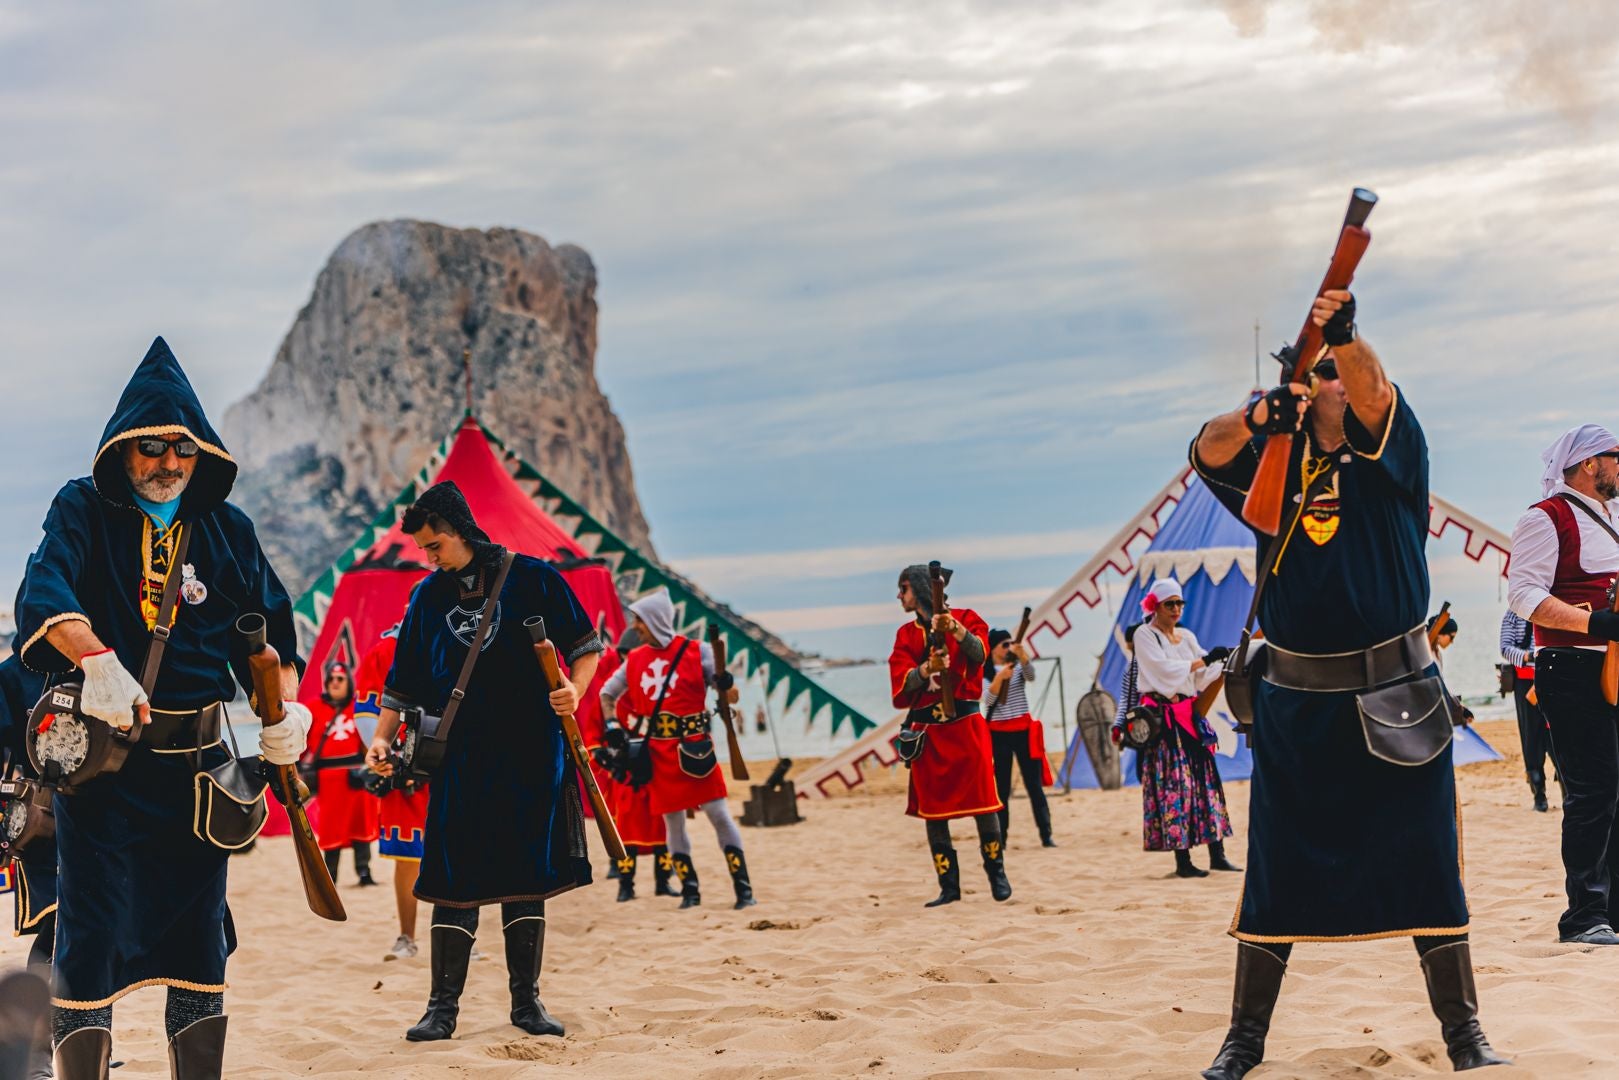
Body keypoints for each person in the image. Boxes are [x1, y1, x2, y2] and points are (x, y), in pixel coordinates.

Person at [1189, 292, 1506, 1076]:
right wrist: (1258, 416)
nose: (1326, 383)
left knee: (1427, 861)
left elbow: (1375, 391)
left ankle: (1464, 1037)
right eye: (1315, 373)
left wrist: (1343, 337)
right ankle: (1243, 1041)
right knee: (1275, 872)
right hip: (1295, 706)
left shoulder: (1393, 450)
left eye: (1329, 373)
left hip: (1397, 696)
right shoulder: (1271, 462)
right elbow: (1203, 450)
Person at [15, 337, 311, 1077]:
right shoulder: (82, 508)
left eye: (182, 447)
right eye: (150, 446)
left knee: (198, 943)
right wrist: (97, 659)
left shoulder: (228, 529)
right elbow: (44, 591)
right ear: (122, 448)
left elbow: (271, 636)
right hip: (104, 774)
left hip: (197, 777)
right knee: (88, 942)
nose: (167, 462)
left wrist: (285, 716)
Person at [365, 481, 602, 1042]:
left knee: (525, 877)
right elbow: (401, 683)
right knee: (452, 876)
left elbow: (586, 647)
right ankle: (441, 1009)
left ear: (461, 531)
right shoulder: (428, 596)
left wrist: (575, 690)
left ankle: (527, 1004)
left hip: (530, 752)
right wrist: (380, 739)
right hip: (459, 757)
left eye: (434, 545)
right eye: (423, 549)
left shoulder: (536, 578)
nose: (429, 557)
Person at [1507, 423, 1619, 946]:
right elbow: (1524, 596)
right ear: (1590, 463)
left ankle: (1612, 910)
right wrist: (1596, 623)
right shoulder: (1545, 517)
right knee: (1593, 790)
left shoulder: (1613, 516)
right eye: (1617, 456)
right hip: (1570, 667)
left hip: (1614, 666)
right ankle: (1584, 916)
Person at [598, 589, 756, 911]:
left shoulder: (698, 652)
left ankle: (744, 890)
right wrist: (612, 725)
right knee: (673, 822)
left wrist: (726, 683)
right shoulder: (635, 660)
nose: (635, 626)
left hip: (695, 748)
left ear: (655, 619)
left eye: (639, 620)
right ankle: (690, 891)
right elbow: (606, 693)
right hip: (658, 753)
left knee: (718, 814)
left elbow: (732, 697)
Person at [889, 564, 1011, 907]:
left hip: (965, 727)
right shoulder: (906, 635)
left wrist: (954, 629)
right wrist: (926, 669)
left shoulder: (967, 618)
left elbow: (981, 654)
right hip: (929, 733)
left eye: (904, 588)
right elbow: (901, 681)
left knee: (984, 803)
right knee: (934, 812)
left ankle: (997, 874)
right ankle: (949, 886)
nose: (899, 596)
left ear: (919, 589)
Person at [1112, 579, 1237, 878]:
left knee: (1205, 782)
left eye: (1180, 603)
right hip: (1163, 721)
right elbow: (1163, 671)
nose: (1176, 608)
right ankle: (1183, 861)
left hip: (1189, 716)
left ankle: (1217, 854)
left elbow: (1201, 677)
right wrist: (1204, 660)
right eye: (1170, 603)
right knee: (1176, 787)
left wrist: (1224, 660)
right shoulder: (1145, 635)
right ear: (1155, 606)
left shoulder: (1187, 636)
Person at [354, 623, 433, 960]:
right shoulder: (386, 651)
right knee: (408, 855)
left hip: (452, 760)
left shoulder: (460, 640)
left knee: (458, 851)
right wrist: (387, 758)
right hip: (405, 765)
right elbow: (367, 710)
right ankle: (407, 936)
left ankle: (459, 933)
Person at [587, 629, 676, 904]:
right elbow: (592, 734)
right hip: (625, 774)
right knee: (627, 829)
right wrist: (602, 754)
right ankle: (626, 885)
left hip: (657, 770)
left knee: (663, 828)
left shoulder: (660, 689)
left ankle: (663, 882)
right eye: (626, 657)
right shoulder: (609, 696)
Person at [0, 654, 56, 1080]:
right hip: (39, 821)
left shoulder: (90, 663)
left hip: (103, 817)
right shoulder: (10, 674)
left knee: (86, 933)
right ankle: (37, 1057)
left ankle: (73, 1043)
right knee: (56, 927)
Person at [302, 662, 379, 886]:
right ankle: (330, 876)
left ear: (348, 682)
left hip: (356, 776)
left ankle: (364, 872)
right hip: (328, 780)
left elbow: (371, 739)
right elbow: (302, 741)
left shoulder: (358, 708)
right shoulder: (313, 708)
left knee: (361, 824)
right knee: (331, 828)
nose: (335, 683)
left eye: (340, 679)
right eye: (331, 679)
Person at [982, 629, 1054, 847]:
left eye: (1010, 643)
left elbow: (1031, 676)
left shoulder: (1017, 666)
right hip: (999, 734)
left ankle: (1046, 835)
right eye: (1004, 645)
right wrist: (999, 678)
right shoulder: (985, 673)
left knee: (1034, 786)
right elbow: (988, 700)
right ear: (993, 649)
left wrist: (1023, 656)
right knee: (1002, 789)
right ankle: (1001, 837)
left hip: (1023, 730)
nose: (1008, 648)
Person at [1498, 609, 1558, 812]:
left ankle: (1567, 789)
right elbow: (1505, 648)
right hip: (1525, 679)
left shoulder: (1550, 608)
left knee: (1557, 731)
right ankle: (1539, 794)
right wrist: (1528, 656)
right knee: (1530, 736)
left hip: (1552, 675)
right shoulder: (1513, 615)